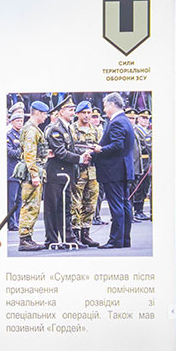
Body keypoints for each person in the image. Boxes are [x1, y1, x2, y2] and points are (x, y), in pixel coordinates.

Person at [43, 95, 91, 247]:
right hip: (56, 173)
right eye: (70, 110)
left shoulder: (67, 127)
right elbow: (61, 152)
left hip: (66, 174)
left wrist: (83, 154)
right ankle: (51, 240)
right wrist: (79, 159)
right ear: (61, 111)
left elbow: (71, 148)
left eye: (73, 109)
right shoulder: (55, 129)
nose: (73, 113)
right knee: (52, 208)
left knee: (65, 208)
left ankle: (68, 238)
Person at [92, 92, 135, 248]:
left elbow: (117, 144)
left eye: (105, 106)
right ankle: (124, 239)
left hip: (114, 170)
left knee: (117, 205)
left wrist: (100, 149)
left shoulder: (117, 122)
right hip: (123, 169)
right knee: (124, 204)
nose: (104, 109)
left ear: (111, 104)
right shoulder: (125, 120)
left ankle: (116, 240)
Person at [17, 101, 50, 251]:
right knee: (30, 205)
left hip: (35, 169)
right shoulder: (31, 130)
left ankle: (27, 238)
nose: (45, 116)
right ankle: (24, 239)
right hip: (32, 173)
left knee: (33, 206)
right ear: (37, 113)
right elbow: (29, 155)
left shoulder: (33, 129)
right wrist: (34, 175)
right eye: (44, 114)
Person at [70, 101, 102, 247]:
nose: (87, 116)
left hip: (92, 171)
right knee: (76, 203)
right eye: (84, 113)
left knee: (90, 203)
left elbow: (101, 147)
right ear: (77, 114)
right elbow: (69, 148)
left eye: (89, 113)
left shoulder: (96, 130)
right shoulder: (72, 129)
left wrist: (93, 153)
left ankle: (86, 233)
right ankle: (75, 233)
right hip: (78, 171)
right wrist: (83, 154)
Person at [6, 102, 25, 231]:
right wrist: (21, 151)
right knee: (11, 199)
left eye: (21, 121)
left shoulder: (22, 135)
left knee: (19, 199)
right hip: (12, 171)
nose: (20, 123)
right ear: (12, 122)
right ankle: (11, 222)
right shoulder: (9, 136)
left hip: (21, 173)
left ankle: (17, 221)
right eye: (17, 121)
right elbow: (10, 152)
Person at [132, 108, 153, 221]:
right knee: (139, 187)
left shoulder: (147, 131)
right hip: (140, 161)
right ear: (138, 119)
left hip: (147, 161)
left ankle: (140, 210)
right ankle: (137, 210)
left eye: (147, 118)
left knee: (145, 186)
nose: (145, 120)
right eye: (143, 118)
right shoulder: (136, 130)